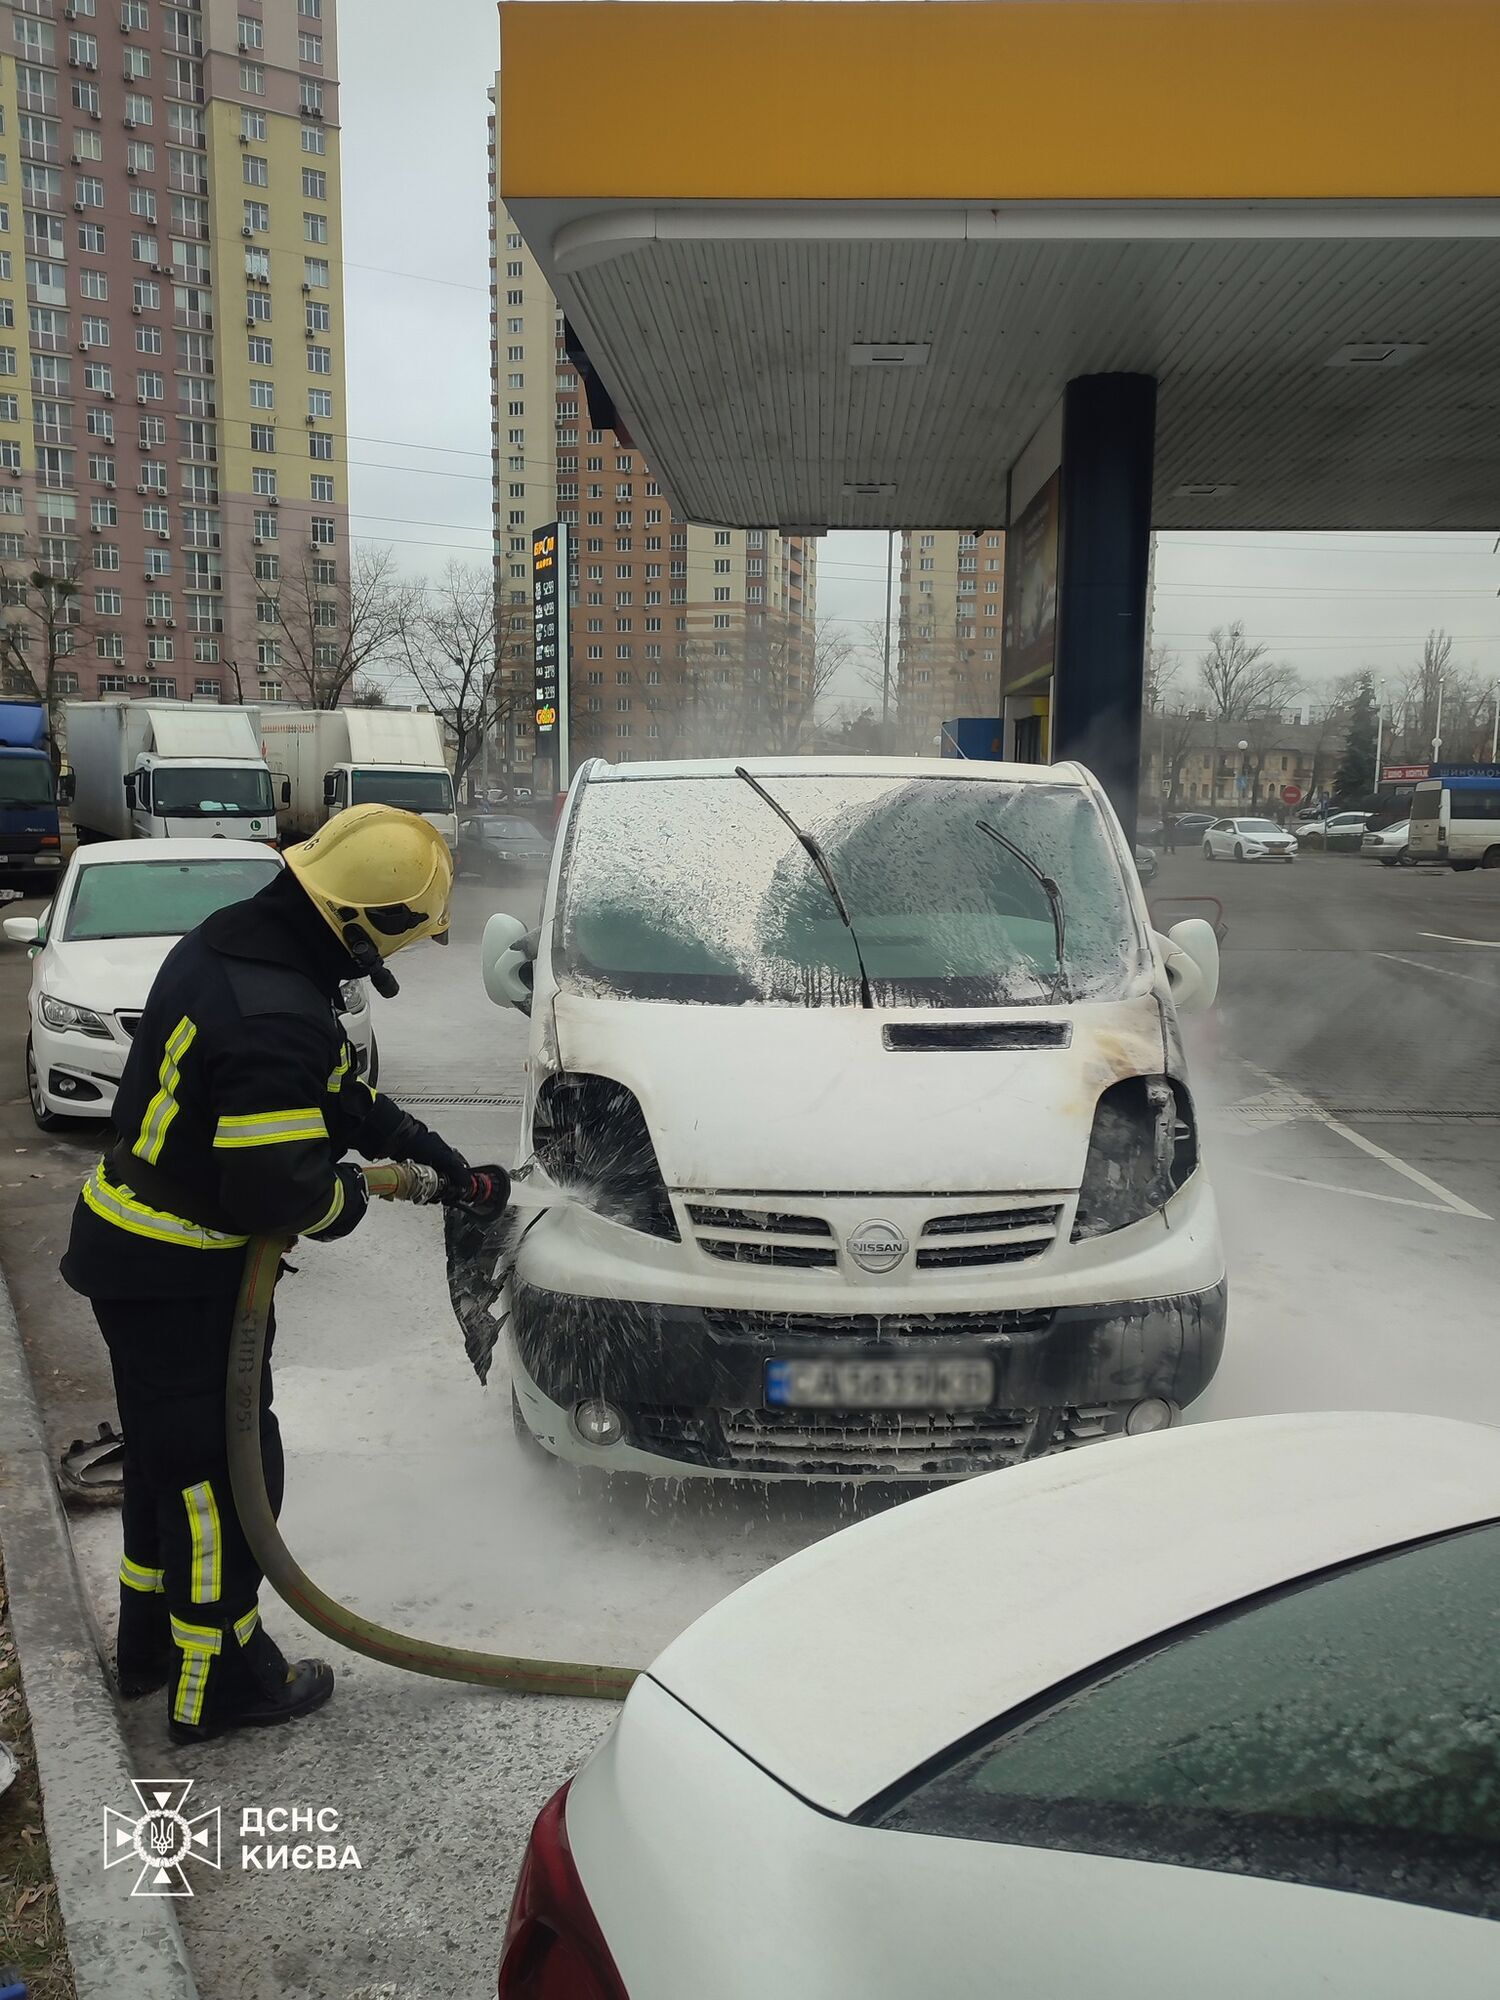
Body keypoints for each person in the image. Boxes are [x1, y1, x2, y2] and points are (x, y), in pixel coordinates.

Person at [61, 805, 506, 1744]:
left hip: (139, 1249)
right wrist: (362, 1194)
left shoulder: (243, 952)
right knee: (224, 1479)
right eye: (400, 937)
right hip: (175, 1270)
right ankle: (219, 1683)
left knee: (166, 1465)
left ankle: (150, 1648)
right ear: (358, 924)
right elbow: (284, 1196)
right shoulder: (273, 1012)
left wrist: (445, 1169)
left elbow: (339, 1092)